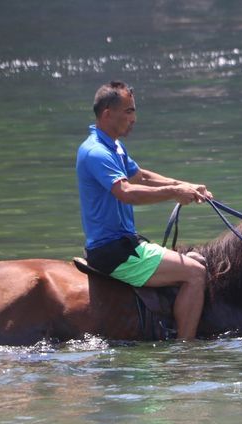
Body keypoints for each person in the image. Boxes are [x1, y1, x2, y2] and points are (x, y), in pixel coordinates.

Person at [76, 80, 211, 340]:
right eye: (128, 111)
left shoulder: (114, 146)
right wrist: (174, 193)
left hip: (127, 243)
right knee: (196, 273)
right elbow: (126, 192)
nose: (134, 118)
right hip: (113, 251)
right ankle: (186, 352)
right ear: (107, 114)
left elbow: (141, 177)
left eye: (133, 110)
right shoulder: (96, 152)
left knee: (197, 261)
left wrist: (184, 185)